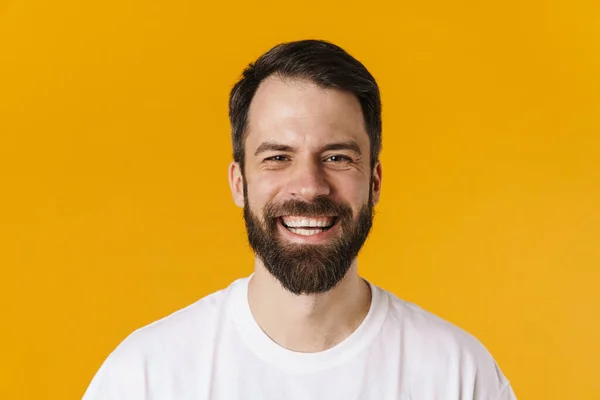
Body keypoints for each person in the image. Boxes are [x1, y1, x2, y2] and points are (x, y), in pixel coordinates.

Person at [82, 39, 517, 399]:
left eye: (337, 157)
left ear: (375, 181)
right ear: (239, 183)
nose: (309, 187)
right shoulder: (144, 378)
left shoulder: (460, 376)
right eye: (277, 157)